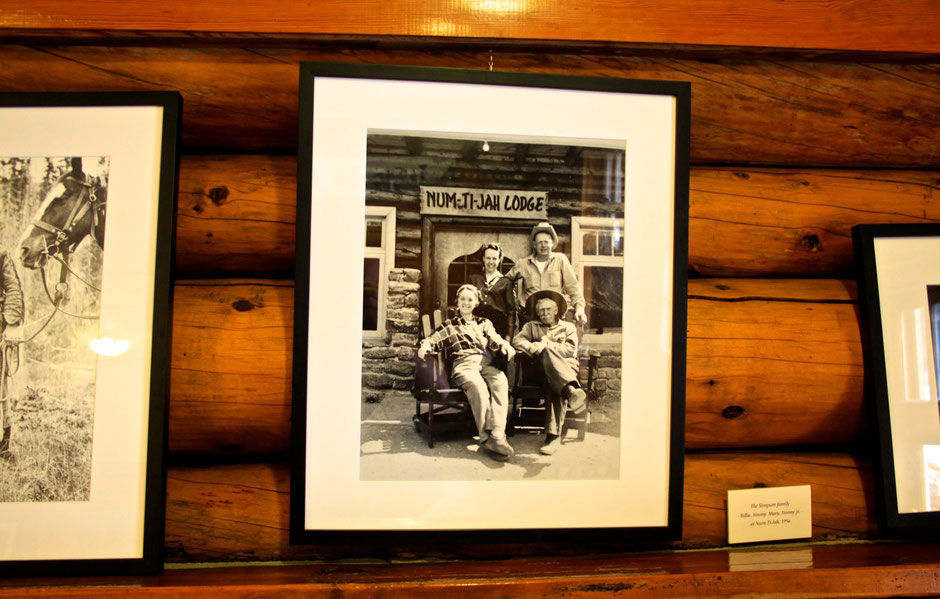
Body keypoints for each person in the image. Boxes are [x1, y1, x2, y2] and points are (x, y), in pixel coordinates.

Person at [416, 284, 516, 461]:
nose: (466, 302)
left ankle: (498, 434)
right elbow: (433, 339)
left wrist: (505, 345)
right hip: (463, 365)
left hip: (485, 362)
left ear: (476, 302)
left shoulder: (484, 323)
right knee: (478, 387)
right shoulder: (450, 325)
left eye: (470, 299)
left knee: (500, 381)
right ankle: (488, 438)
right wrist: (425, 345)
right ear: (458, 302)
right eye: (463, 299)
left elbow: (495, 339)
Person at [512, 289, 587, 456]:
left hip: (566, 368)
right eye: (541, 311)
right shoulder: (531, 326)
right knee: (550, 368)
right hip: (539, 372)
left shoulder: (568, 327)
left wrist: (547, 346)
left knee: (553, 381)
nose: (544, 314)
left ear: (556, 311)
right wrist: (532, 346)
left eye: (548, 310)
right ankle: (571, 391)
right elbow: (517, 340)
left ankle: (552, 437)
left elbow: (570, 349)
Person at [507, 222, 587, 327]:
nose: (543, 245)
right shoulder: (523, 264)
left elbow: (573, 287)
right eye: (540, 242)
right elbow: (505, 281)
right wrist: (513, 303)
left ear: (552, 244)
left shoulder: (560, 260)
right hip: (530, 318)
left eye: (546, 242)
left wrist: (579, 308)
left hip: (555, 317)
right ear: (534, 245)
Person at [0, 250, 23, 459]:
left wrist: (12, 323)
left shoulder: (1, 255)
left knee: (1, 391)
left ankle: (3, 446)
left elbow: (13, 289)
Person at [468, 242, 516, 340]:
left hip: (498, 330)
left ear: (499, 260)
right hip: (476, 327)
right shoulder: (473, 279)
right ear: (483, 259)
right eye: (488, 258)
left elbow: (511, 312)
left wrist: (508, 336)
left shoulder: (506, 282)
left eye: (494, 258)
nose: (491, 262)